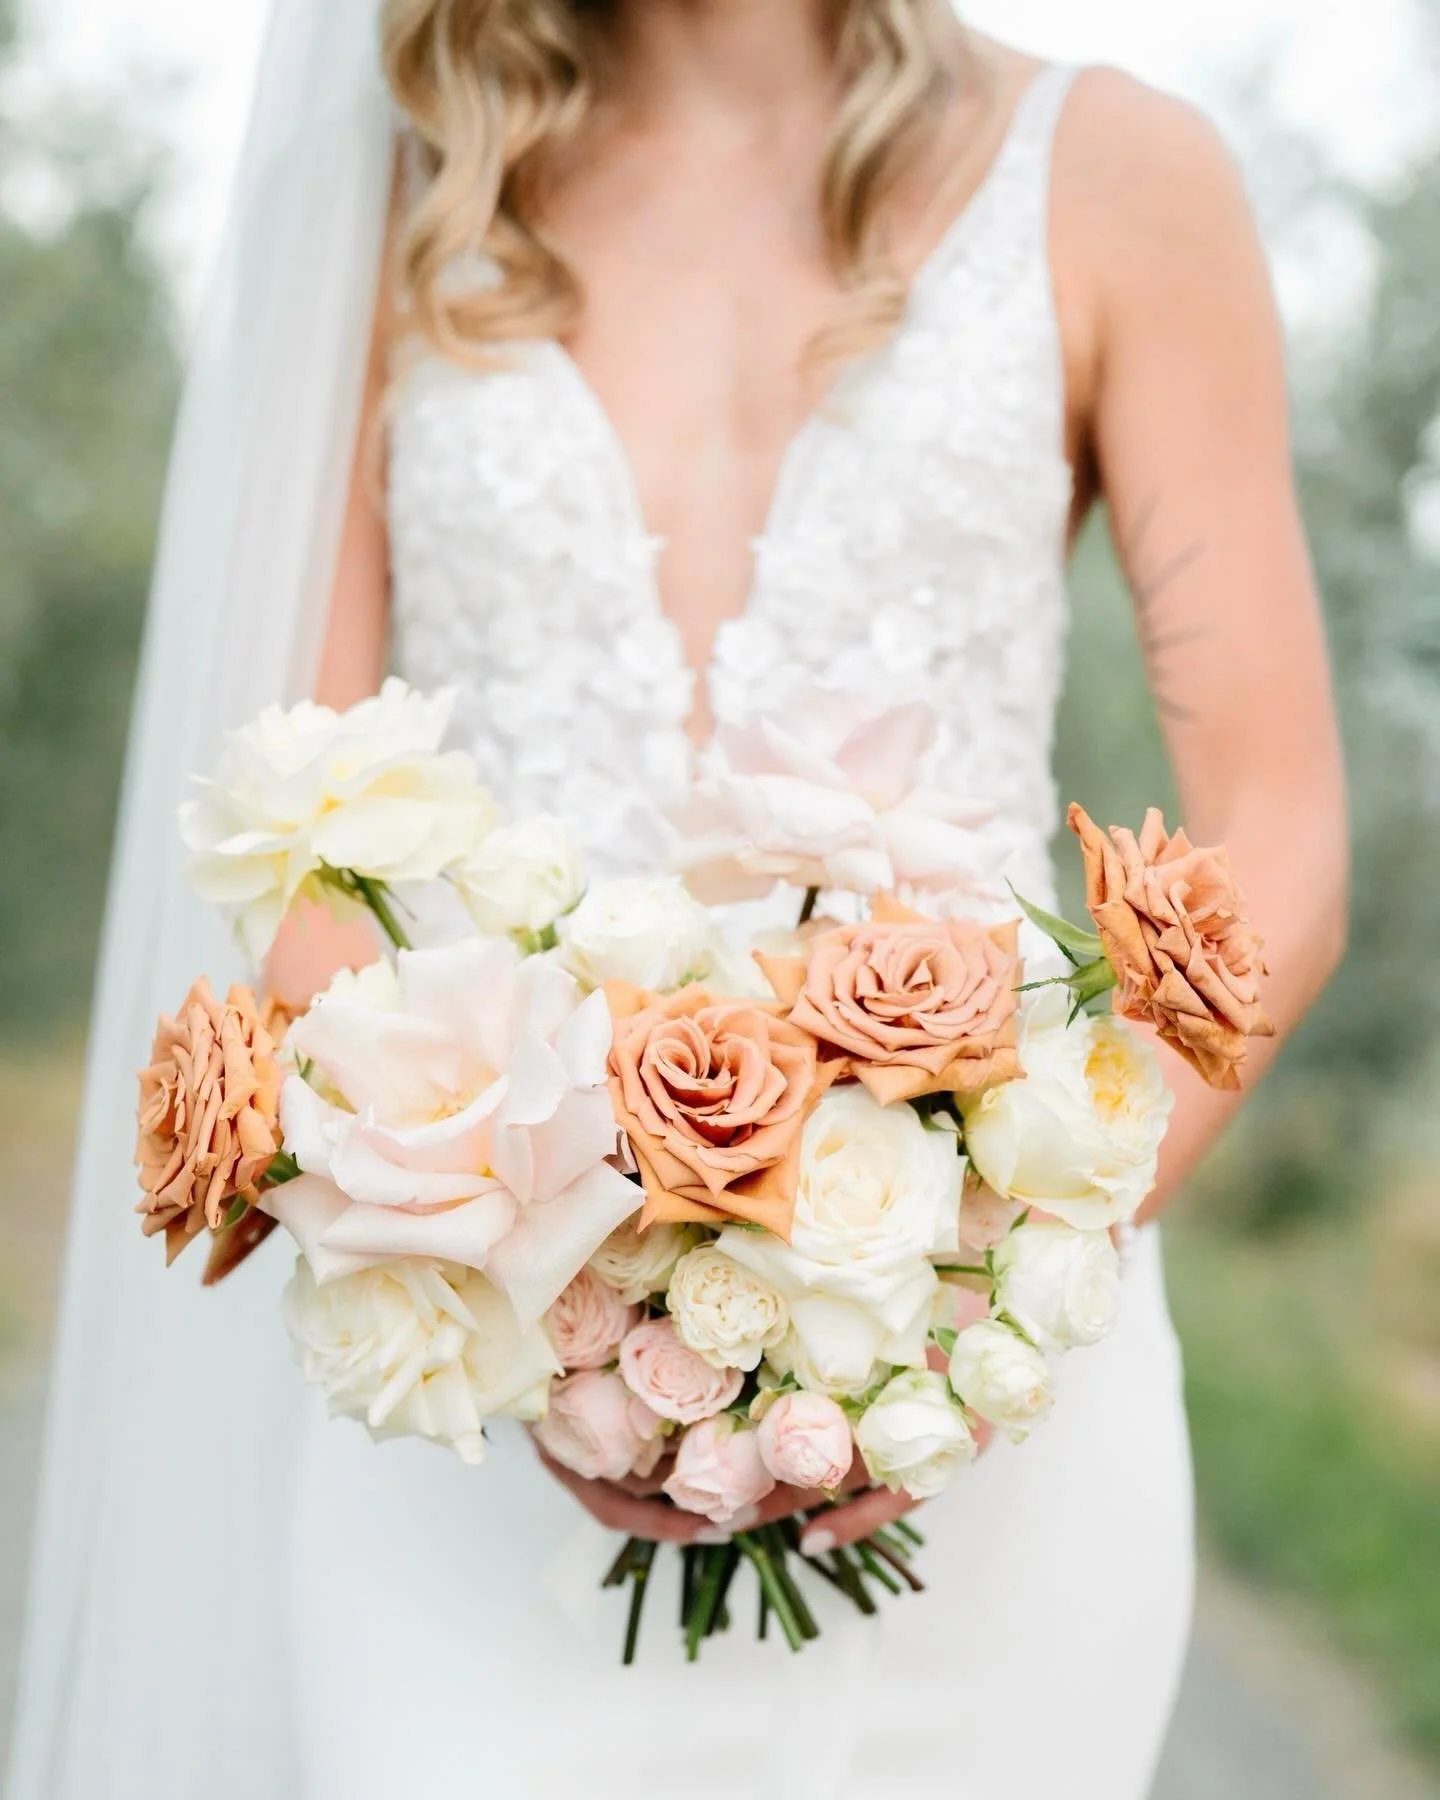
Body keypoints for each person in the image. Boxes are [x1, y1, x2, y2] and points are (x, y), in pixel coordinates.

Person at [8, 3, 1347, 1798]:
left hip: (1000, 1442)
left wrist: (998, 1288)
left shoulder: (1120, 175)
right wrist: (540, 1304)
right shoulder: (389, 190)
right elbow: (283, 819)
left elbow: (1280, 826)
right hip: (485, 1451)